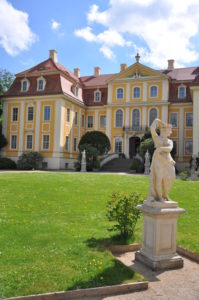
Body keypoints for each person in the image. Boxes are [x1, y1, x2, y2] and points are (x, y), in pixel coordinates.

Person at [148, 118, 175, 202]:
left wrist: (160, 149)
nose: (169, 131)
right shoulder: (156, 138)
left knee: (170, 178)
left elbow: (170, 148)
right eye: (168, 129)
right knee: (159, 178)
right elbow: (152, 128)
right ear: (163, 130)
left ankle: (165, 194)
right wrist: (158, 121)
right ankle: (159, 197)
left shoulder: (170, 141)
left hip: (168, 160)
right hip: (158, 160)